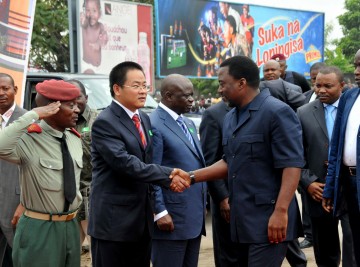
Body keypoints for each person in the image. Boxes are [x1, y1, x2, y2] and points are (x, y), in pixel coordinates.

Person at [171, 56, 304, 266]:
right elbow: (229, 161)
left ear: (242, 83)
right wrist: (191, 177)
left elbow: (292, 165)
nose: (220, 90)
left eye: (223, 84)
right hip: (241, 221)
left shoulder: (277, 112)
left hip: (270, 220)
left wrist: (281, 212)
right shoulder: (232, 117)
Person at [88, 61, 189, 267]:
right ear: (117, 89)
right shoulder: (105, 122)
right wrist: (169, 175)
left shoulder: (143, 118)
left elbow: (148, 161)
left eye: (145, 85)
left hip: (141, 222)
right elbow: (126, 164)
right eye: (136, 86)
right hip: (113, 224)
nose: (143, 91)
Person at [0, 79, 83, 266]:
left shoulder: (73, 138)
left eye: (77, 105)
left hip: (71, 225)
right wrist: (34, 114)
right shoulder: (29, 138)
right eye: (71, 105)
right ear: (51, 109)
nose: (77, 110)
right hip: (40, 228)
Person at [149, 74, 207, 267]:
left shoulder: (188, 123)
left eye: (192, 95)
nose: (192, 100)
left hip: (192, 216)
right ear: (168, 96)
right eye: (186, 96)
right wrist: (159, 211)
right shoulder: (155, 124)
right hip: (172, 217)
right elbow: (152, 172)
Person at [298, 66, 348, 266]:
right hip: (318, 190)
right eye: (317, 85)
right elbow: (295, 154)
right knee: (325, 250)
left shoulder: (354, 109)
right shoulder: (303, 112)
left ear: (342, 86)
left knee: (353, 243)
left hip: (349, 186)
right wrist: (308, 182)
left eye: (328, 86)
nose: (321, 90)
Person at [322, 49, 360, 266]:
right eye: (355, 65)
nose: (356, 71)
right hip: (347, 182)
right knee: (356, 242)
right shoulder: (349, 97)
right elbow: (336, 147)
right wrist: (330, 188)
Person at [200, 99, 241, 266]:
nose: (221, 88)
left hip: (251, 201)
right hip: (226, 200)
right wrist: (223, 198)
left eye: (224, 83)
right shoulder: (213, 114)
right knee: (228, 256)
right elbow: (210, 160)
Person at [67, 80, 98, 260]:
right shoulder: (58, 121)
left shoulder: (98, 120)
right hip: (68, 195)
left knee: (98, 248)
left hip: (91, 193)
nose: (73, 101)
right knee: (69, 251)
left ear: (85, 98)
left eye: (77, 96)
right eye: (68, 97)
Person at [0, 73, 27, 267]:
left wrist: (24, 202)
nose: (1, 93)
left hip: (15, 202)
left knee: (15, 258)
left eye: (5, 88)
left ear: (15, 90)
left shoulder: (28, 120)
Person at [80, 0, 108, 70]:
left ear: (100, 13)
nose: (91, 14)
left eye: (94, 11)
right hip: (85, 63)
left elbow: (105, 38)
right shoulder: (86, 25)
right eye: (88, 10)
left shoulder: (101, 26)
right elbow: (83, 24)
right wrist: (82, 19)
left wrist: (99, 43)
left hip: (98, 66)